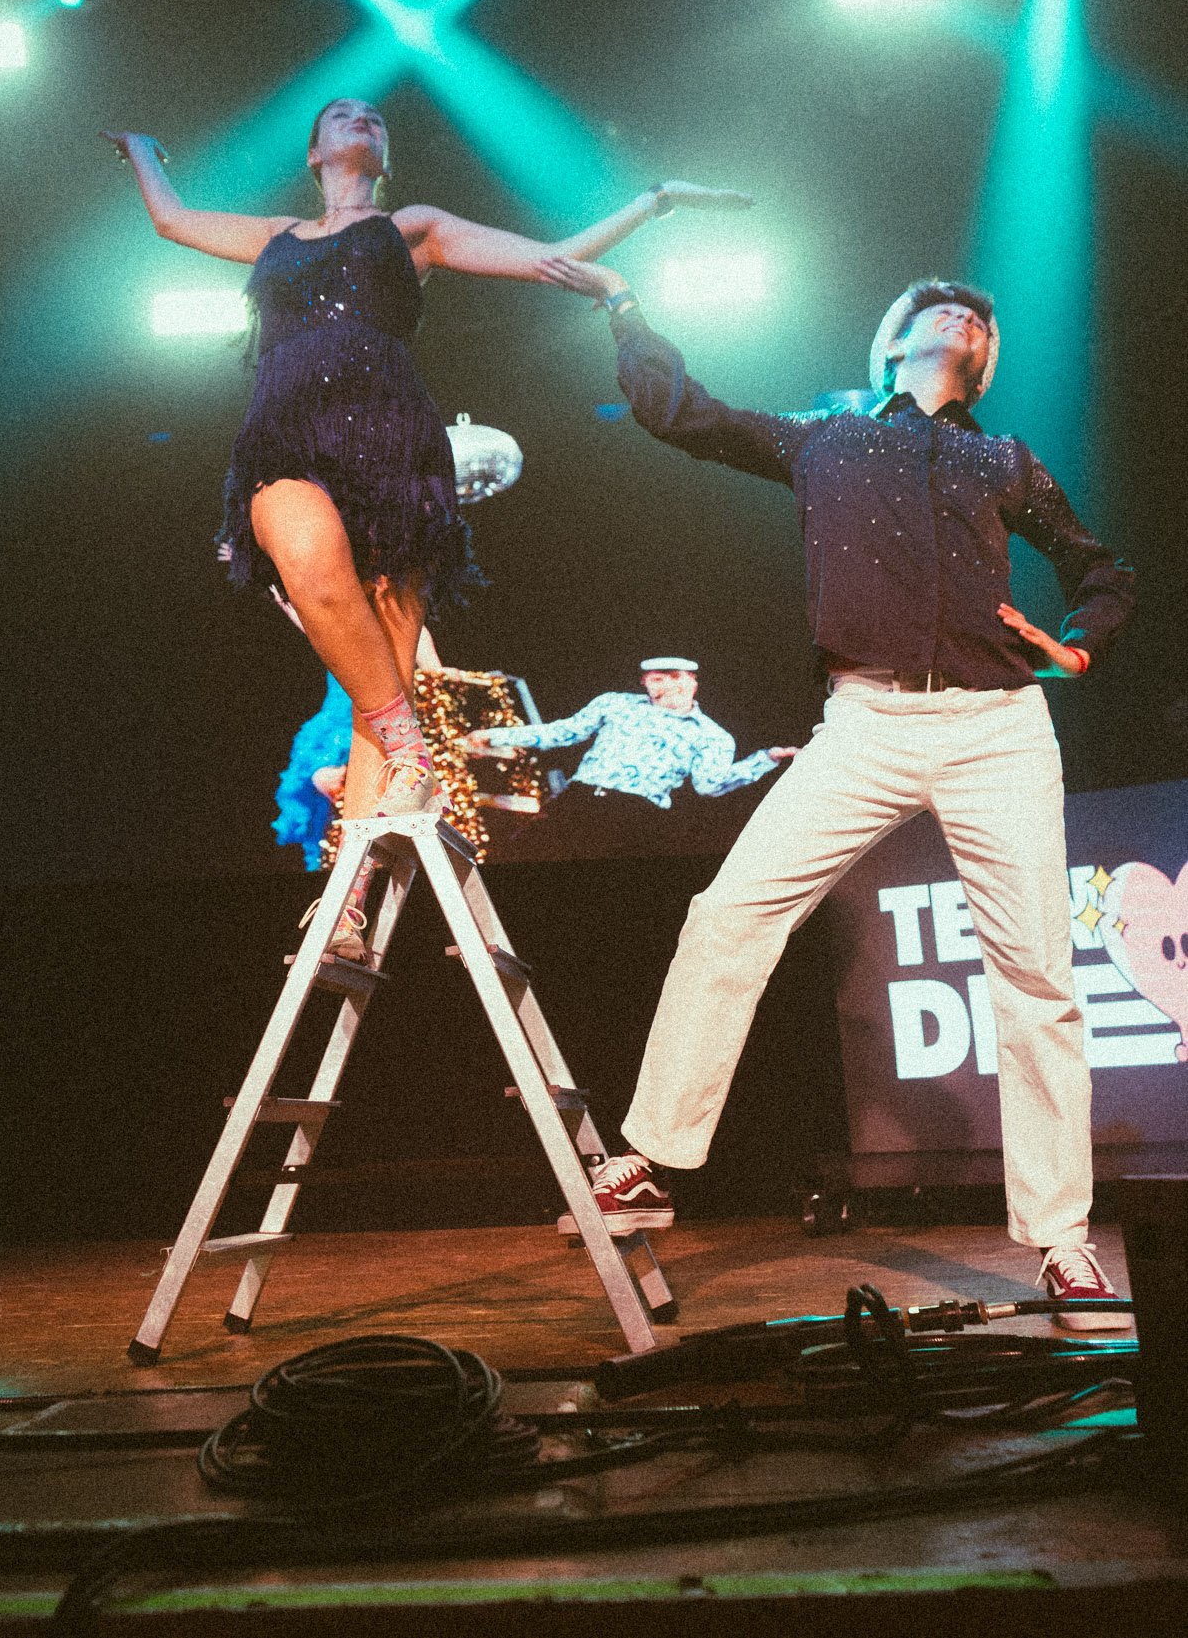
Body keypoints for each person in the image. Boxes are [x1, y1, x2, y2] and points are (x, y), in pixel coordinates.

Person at [538, 257, 1135, 1324]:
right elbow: (683, 413)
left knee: (1037, 977)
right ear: (895, 338)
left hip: (998, 729)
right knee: (728, 914)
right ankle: (654, 1159)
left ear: (986, 359)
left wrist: (1077, 643)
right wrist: (623, 305)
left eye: (977, 318)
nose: (963, 316)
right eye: (939, 307)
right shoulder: (826, 435)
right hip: (865, 723)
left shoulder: (1003, 456)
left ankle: (1062, 1239)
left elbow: (1102, 566)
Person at [104, 103, 752, 949]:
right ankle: (415, 756)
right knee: (305, 561)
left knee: (378, 685)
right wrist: (142, 149)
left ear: (385, 153)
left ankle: (348, 901)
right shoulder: (275, 235)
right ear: (314, 151)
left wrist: (653, 201)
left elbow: (556, 256)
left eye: (374, 118)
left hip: (392, 445)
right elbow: (172, 219)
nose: (361, 119)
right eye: (342, 114)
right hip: (285, 429)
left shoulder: (413, 227)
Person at [465, 658, 795, 856]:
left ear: (685, 682)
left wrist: (766, 759)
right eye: (648, 680)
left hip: (635, 815)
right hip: (581, 799)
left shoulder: (712, 736)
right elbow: (563, 732)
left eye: (659, 680)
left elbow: (709, 785)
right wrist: (495, 735)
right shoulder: (616, 703)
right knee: (527, 851)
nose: (650, 686)